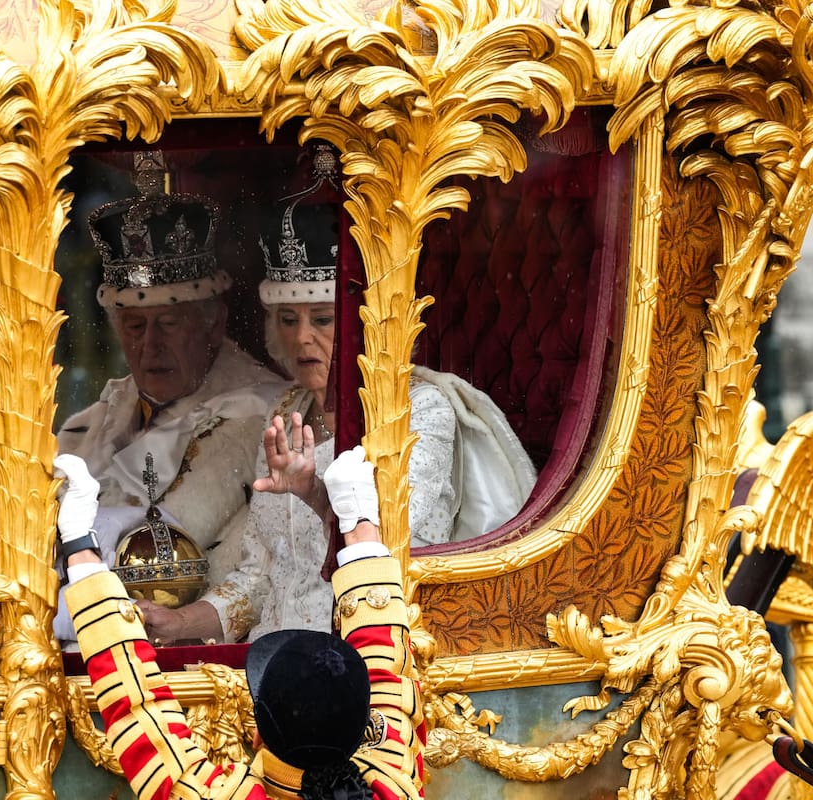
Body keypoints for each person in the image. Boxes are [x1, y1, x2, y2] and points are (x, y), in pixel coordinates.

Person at [138, 146, 537, 644]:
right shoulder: (287, 410)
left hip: (360, 665)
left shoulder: (416, 410)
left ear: (361, 321)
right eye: (289, 320)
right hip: (271, 663)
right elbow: (259, 581)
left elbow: (386, 557)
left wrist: (313, 493)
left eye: (322, 320)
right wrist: (180, 622)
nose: (301, 337)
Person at [54, 447, 425, 800]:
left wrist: (78, 543)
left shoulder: (394, 770)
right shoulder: (393, 782)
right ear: (369, 728)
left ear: (257, 735)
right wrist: (361, 525)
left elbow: (136, 705)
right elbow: (389, 674)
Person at [53, 152, 288, 643]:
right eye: (134, 327)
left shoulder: (264, 412)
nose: (149, 345)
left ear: (213, 325)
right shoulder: (96, 418)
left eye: (169, 324)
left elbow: (174, 544)